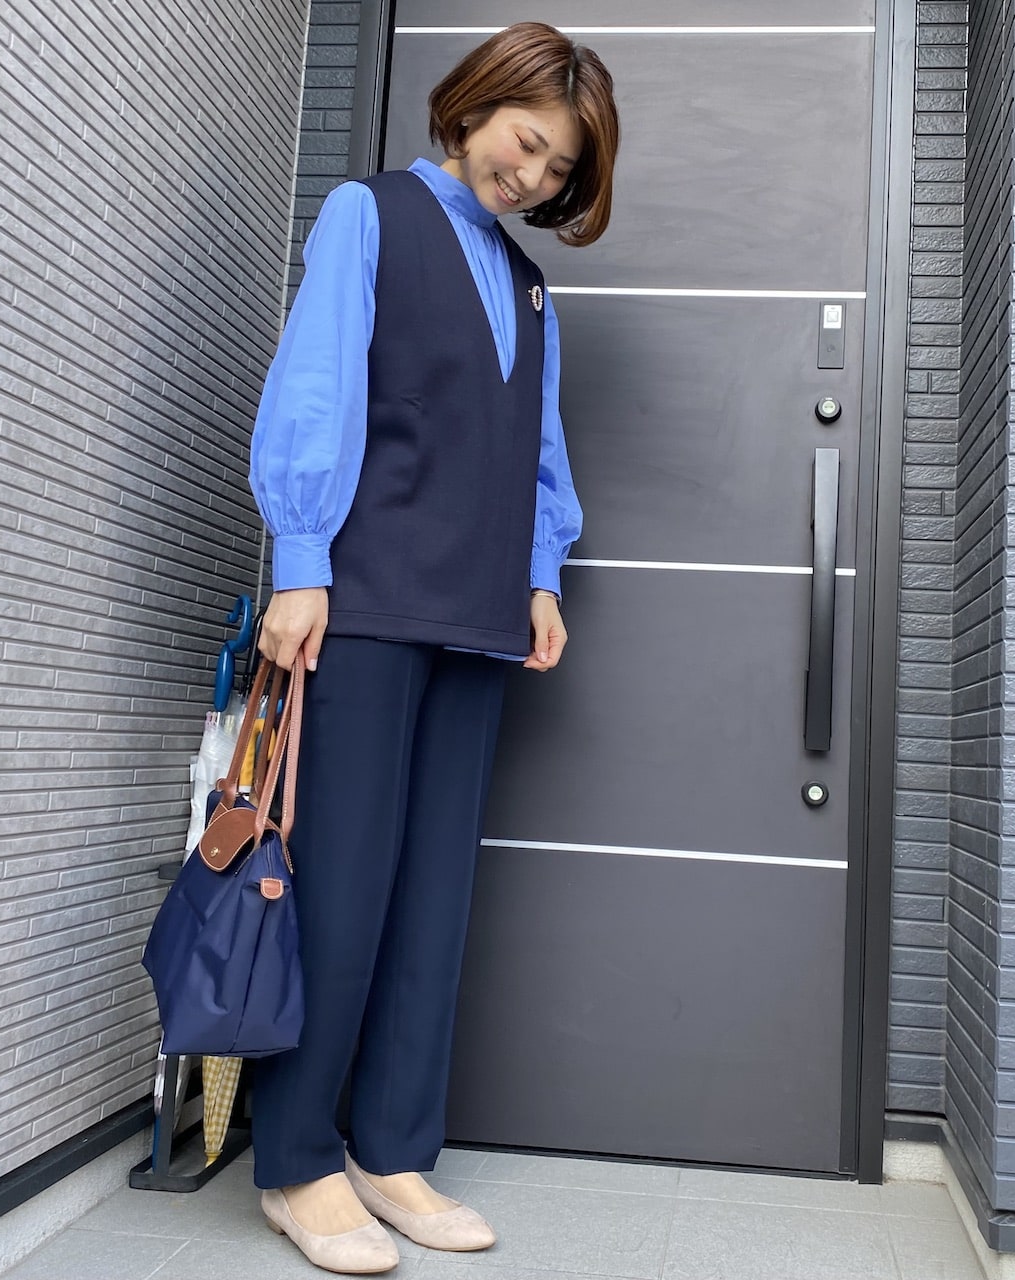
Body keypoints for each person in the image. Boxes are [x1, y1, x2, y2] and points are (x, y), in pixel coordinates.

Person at [245, 23, 619, 1275]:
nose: (534, 176)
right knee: (342, 885)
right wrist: (301, 558)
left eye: (558, 169)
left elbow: (538, 446)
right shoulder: (369, 214)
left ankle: (392, 1150)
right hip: (363, 600)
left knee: (432, 897)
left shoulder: (529, 285)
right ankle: (297, 1160)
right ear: (475, 107)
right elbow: (316, 385)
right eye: (529, 142)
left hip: (478, 614)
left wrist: (541, 574)